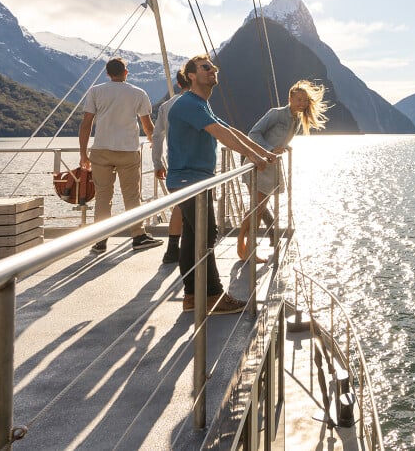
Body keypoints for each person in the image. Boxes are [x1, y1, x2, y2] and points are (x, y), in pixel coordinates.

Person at [166, 54, 277, 315]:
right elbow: (221, 134)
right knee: (206, 234)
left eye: (213, 67)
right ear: (191, 75)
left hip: (192, 180)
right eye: (206, 67)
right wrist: (254, 157)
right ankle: (213, 296)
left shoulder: (200, 104)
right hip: (189, 180)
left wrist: (260, 150)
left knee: (195, 237)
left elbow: (233, 131)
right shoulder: (189, 104)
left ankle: (193, 296)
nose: (212, 70)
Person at [237, 79, 328, 262]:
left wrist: (283, 147)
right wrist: (270, 149)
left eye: (305, 101)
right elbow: (254, 134)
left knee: (259, 209)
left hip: (270, 168)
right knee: (257, 209)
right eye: (299, 100)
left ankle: (247, 249)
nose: (302, 104)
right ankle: (243, 247)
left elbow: (278, 139)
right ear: (290, 98)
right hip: (258, 164)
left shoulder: (296, 120)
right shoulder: (276, 114)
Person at [79, 57, 162, 253]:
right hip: (128, 151)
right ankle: (138, 235)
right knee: (132, 195)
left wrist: (83, 154)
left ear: (108, 73)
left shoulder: (95, 91)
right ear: (126, 72)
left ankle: (100, 240)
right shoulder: (138, 93)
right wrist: (153, 141)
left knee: (103, 196)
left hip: (101, 150)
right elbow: (147, 125)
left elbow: (86, 125)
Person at [151, 70, 191, 264]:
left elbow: (157, 136)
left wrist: (157, 163)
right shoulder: (197, 103)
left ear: (178, 83)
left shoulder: (166, 106)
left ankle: (173, 249)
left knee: (180, 204)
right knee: (189, 205)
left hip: (174, 160)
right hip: (193, 161)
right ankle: (183, 249)